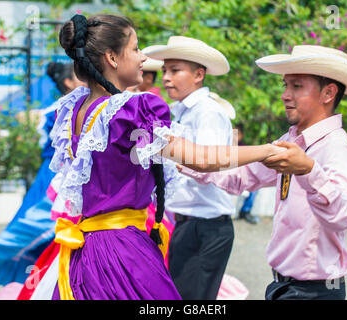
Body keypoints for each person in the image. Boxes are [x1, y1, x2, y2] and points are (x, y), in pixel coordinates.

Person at [40, 14, 282, 300]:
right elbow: (200, 159)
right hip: (122, 251)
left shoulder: (76, 108)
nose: (143, 58)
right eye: (135, 49)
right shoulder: (131, 110)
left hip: (87, 250)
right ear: (112, 58)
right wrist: (268, 151)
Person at [179, 45, 347, 300]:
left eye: (296, 86)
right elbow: (242, 175)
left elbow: (343, 214)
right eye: (286, 85)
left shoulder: (336, 147)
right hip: (285, 286)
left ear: (328, 93)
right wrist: (189, 160)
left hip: (314, 291)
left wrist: (308, 170)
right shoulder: (293, 141)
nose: (285, 95)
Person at [143, 36, 237, 300]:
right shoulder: (181, 111)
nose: (166, 78)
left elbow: (207, 163)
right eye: (164, 71)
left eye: (175, 70)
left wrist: (165, 150)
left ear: (199, 74)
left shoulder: (207, 112)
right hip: (187, 222)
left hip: (206, 225)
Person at [0, 62, 85, 288]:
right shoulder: (61, 106)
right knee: (40, 229)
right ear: (69, 82)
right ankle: (31, 282)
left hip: (69, 175)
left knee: (59, 233)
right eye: (82, 74)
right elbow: (25, 116)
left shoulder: (85, 104)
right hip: (53, 177)